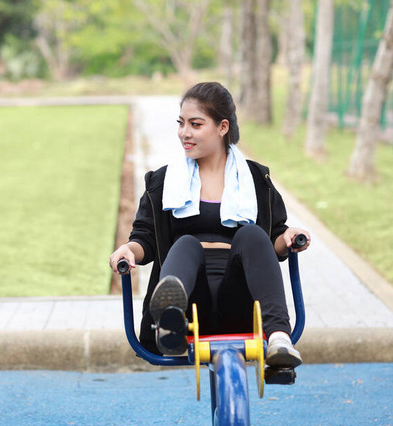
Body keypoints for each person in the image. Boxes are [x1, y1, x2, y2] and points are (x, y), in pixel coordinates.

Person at [109, 82, 310, 368]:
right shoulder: (164, 182)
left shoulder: (254, 180)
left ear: (222, 127)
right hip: (193, 304)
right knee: (187, 243)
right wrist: (128, 250)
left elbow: (275, 239)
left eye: (195, 124)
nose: (184, 133)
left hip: (240, 299)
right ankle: (171, 320)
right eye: (181, 123)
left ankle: (279, 338)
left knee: (252, 234)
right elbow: (145, 238)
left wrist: (289, 235)